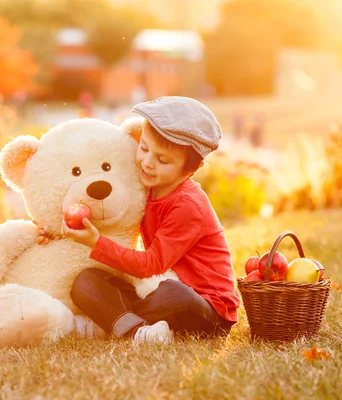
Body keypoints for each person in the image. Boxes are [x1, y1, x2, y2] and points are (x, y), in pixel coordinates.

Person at [61, 96, 241, 344]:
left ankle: (116, 322)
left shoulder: (188, 205)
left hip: (205, 308)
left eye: (163, 160)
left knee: (172, 294)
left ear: (191, 169)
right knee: (86, 281)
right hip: (155, 290)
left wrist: (97, 243)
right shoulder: (147, 185)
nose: (147, 163)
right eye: (144, 148)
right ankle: (135, 328)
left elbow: (150, 265)